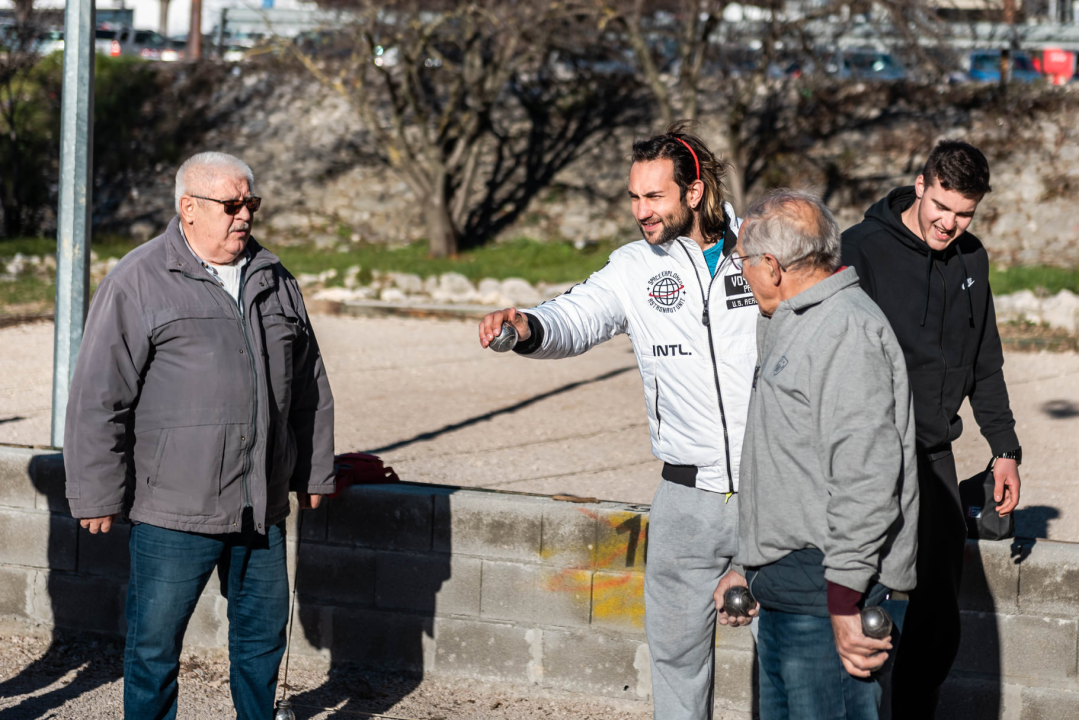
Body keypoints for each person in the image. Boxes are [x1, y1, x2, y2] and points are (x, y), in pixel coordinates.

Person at [478, 123, 758, 720]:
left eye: (653, 196)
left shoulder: (763, 248)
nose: (640, 211)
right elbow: (576, 316)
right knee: (677, 664)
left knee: (788, 665)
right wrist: (525, 325)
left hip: (773, 493)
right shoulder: (633, 267)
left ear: (694, 190)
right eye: (633, 197)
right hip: (686, 498)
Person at [64, 152, 336, 720]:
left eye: (251, 204)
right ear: (189, 208)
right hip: (173, 510)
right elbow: (98, 395)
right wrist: (94, 491)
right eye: (231, 204)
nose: (244, 216)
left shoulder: (275, 279)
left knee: (262, 645)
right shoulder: (138, 280)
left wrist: (313, 470)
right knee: (153, 649)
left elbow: (309, 384)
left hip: (261, 505)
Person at [841, 140, 1022, 718]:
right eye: (942, 205)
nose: (950, 223)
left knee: (938, 615)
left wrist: (1005, 449)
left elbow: (984, 362)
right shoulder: (860, 249)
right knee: (860, 594)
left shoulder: (973, 260)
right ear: (920, 185)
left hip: (935, 454)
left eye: (964, 213)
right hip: (869, 454)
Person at [724, 190, 919, 720]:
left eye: (742, 262)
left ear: (772, 265)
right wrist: (747, 562)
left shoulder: (845, 330)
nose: (740, 274)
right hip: (789, 590)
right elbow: (783, 463)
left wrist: (844, 601)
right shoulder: (791, 320)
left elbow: (868, 478)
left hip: (827, 594)